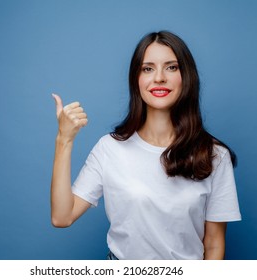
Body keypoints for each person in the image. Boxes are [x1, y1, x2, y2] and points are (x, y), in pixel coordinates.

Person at [50, 30, 241, 260]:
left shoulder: (214, 155)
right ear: (136, 79)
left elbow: (213, 244)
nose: (159, 78)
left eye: (171, 67)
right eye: (148, 68)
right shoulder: (109, 148)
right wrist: (64, 139)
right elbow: (62, 217)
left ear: (186, 77)